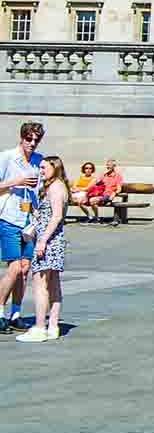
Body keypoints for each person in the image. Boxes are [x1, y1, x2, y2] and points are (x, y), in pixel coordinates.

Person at [12, 154, 69, 344]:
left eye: (44, 167)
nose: (41, 170)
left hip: (49, 241)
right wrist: (32, 211)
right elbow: (48, 214)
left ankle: (39, 327)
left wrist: (42, 240)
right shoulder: (55, 186)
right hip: (54, 239)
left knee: (40, 284)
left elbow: (57, 216)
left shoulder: (55, 187)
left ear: (55, 167)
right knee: (53, 283)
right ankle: (53, 325)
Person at [0, 122, 45, 332]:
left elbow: (41, 187)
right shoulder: (7, 157)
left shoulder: (38, 160)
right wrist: (16, 181)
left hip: (29, 221)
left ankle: (15, 313)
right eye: (29, 139)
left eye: (36, 140)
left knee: (25, 269)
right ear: (22, 137)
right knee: (14, 268)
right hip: (9, 217)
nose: (32, 143)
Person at [76, 158, 125, 225]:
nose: (108, 167)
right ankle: (92, 217)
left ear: (114, 166)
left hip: (107, 195)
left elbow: (119, 189)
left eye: (110, 165)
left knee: (92, 200)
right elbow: (97, 183)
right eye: (107, 165)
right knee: (81, 202)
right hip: (99, 193)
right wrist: (103, 174)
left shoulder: (117, 176)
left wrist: (114, 193)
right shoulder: (104, 175)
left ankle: (96, 218)